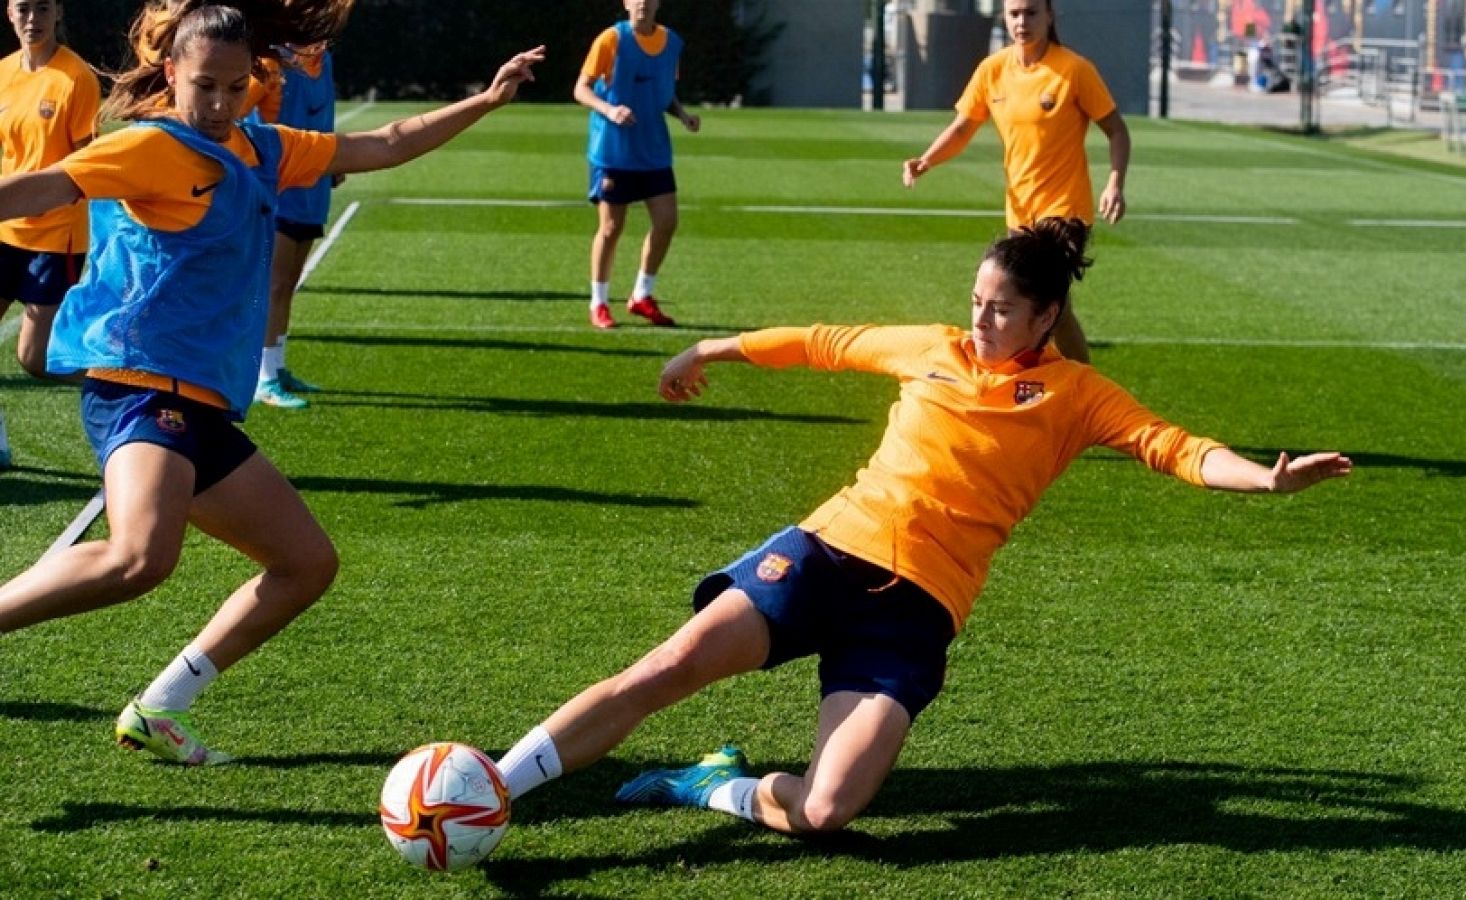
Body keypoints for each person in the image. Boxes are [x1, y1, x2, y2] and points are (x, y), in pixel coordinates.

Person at [493, 217, 1351, 836]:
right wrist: (711, 350)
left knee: (826, 811)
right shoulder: (935, 346)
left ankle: (713, 787)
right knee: (669, 665)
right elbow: (825, 341)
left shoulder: (1079, 396)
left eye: (1001, 309)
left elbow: (1175, 447)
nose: (980, 320)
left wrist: (1262, 479)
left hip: (915, 613)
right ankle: (496, 786)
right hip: (829, 551)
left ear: (1047, 317)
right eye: (976, 300)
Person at [0, 0, 545, 766]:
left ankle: (162, 707)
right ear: (170, 76)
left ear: (255, 82)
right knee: (138, 557)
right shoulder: (150, 148)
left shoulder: (262, 148)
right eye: (203, 87)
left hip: (197, 401)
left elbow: (382, 144)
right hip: (140, 383)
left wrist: (485, 101)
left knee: (305, 564)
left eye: (234, 87)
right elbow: (48, 186)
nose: (220, 105)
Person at [902, 0, 1129, 365]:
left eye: (1031, 12)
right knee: (1033, 307)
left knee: (1049, 305)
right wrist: (927, 160)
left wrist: (1115, 182)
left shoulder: (1073, 70)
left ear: (1049, 16)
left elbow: (1117, 130)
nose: (1022, 20)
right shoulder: (993, 70)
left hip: (1064, 213)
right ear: (1004, 18)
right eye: (1014, 13)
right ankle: (1044, 382)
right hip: (1020, 212)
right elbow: (963, 127)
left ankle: (1081, 386)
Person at [0, 0, 101, 470]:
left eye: (42, 8)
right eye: (23, 8)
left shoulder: (75, 77)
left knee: (34, 360)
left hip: (54, 236)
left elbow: (88, 161)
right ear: (9, 13)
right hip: (4, 227)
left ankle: (123, 382)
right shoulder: (2, 72)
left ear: (59, 12)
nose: (32, 18)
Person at [575, 0, 700, 330]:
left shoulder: (672, 43)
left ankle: (642, 295)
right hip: (614, 150)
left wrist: (683, 114)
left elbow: (664, 92)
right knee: (611, 228)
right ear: (627, 3)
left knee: (667, 221)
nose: (642, 2)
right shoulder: (611, 40)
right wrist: (609, 110)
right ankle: (598, 302)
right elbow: (581, 89)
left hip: (654, 149)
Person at [249, 40, 335, 409]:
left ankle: (278, 364)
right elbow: (246, 114)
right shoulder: (271, 61)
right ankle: (263, 377)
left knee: (289, 284)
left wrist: (336, 162)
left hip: (314, 188)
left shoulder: (323, 57)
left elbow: (325, 114)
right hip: (280, 186)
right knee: (275, 284)